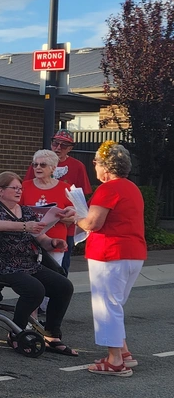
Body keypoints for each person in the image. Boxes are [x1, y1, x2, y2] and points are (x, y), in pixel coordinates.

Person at [0, 171, 77, 357]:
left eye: (21, 188)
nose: (19, 191)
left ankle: (52, 335)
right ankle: (16, 333)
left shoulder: (26, 211)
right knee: (35, 289)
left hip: (28, 263)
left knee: (64, 286)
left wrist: (53, 243)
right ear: (1, 190)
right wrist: (24, 226)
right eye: (15, 188)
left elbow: (41, 238)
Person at [78, 141, 146, 377]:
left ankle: (115, 360)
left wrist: (77, 218)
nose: (94, 167)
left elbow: (93, 223)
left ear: (105, 167)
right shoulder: (132, 188)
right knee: (115, 304)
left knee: (106, 306)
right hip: (133, 253)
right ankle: (123, 352)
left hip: (109, 253)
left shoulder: (108, 189)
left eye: (96, 163)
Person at [19, 149, 74, 267]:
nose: (38, 168)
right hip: (29, 241)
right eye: (35, 164)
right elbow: (16, 211)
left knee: (54, 278)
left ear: (53, 168)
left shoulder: (65, 188)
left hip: (56, 240)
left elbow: (75, 216)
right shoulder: (24, 186)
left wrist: (65, 217)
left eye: (43, 165)